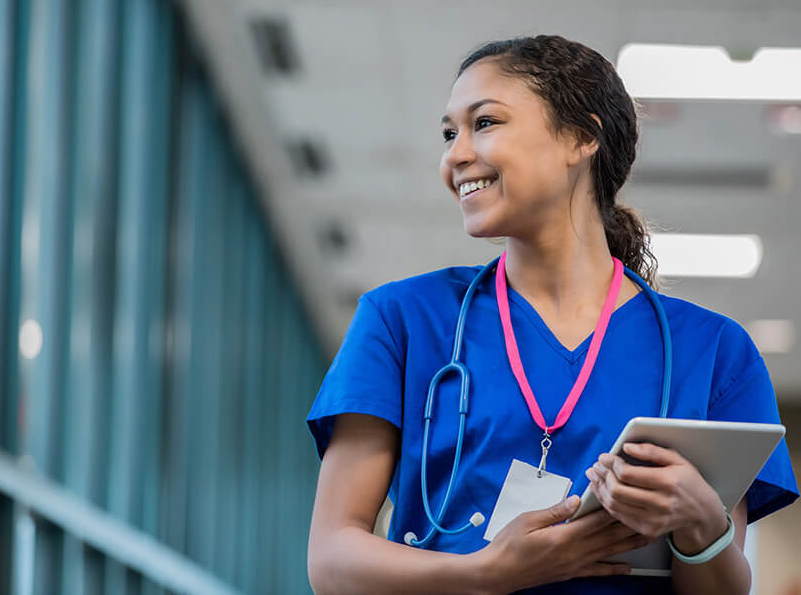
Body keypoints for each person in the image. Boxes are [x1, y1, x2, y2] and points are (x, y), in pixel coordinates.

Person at [305, 35, 799, 594]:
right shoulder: (402, 321)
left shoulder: (714, 353)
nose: (455, 155)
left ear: (581, 137)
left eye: (484, 123)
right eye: (449, 133)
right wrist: (487, 574)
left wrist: (700, 521)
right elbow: (331, 560)